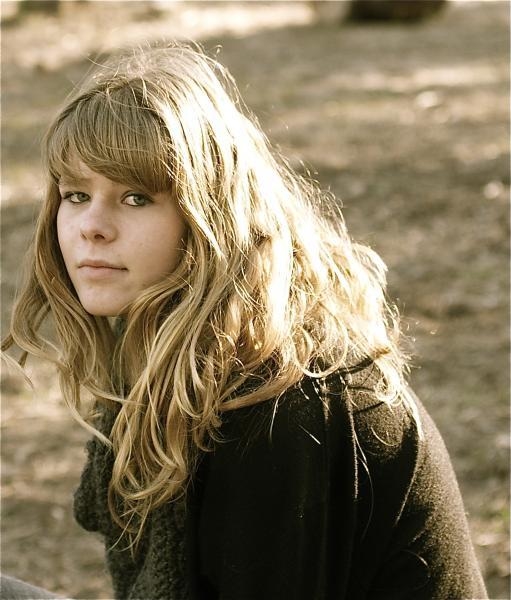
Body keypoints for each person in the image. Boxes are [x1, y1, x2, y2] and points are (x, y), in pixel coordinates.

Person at [2, 42, 487, 600]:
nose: (92, 226)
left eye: (136, 198)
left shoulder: (284, 398)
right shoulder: (158, 350)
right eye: (76, 195)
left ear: (207, 216)